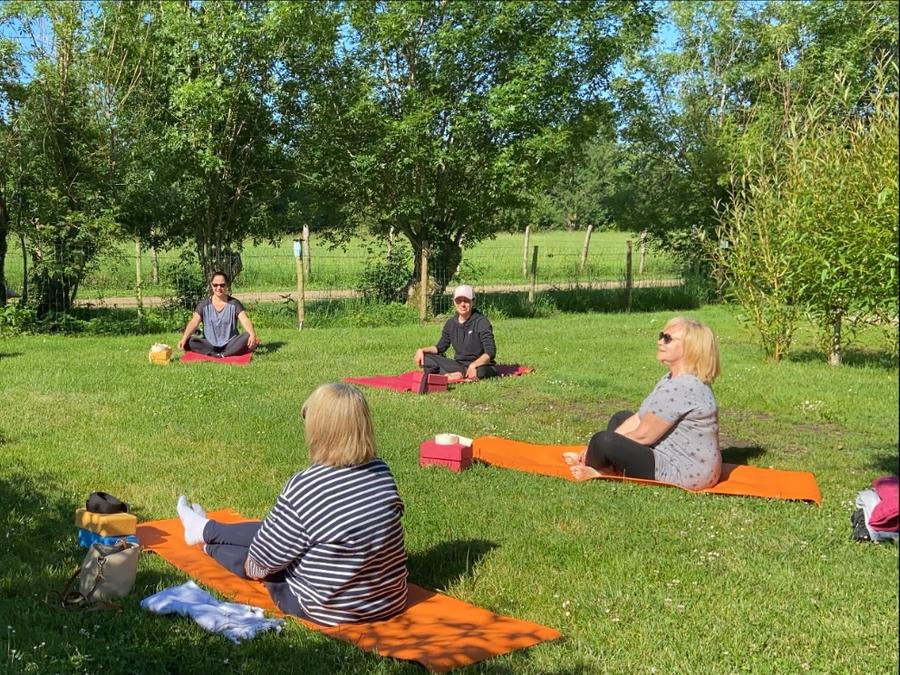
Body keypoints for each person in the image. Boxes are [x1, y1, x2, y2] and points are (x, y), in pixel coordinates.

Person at [176, 382, 409, 625]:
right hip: (389, 600)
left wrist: (232, 556)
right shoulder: (380, 471)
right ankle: (204, 528)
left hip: (327, 608)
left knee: (259, 558)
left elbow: (258, 565)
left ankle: (204, 543)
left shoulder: (307, 486)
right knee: (274, 531)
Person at [565, 317, 722, 490]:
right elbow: (639, 418)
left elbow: (644, 436)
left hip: (685, 472)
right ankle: (606, 464)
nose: (660, 342)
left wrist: (596, 449)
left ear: (690, 349)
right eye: (661, 336)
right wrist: (597, 448)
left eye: (667, 339)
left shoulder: (682, 387)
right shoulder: (671, 378)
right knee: (621, 418)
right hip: (678, 457)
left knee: (603, 440)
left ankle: (598, 468)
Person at [413, 284, 497, 388]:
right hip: (459, 365)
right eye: (459, 301)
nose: (462, 304)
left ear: (473, 302)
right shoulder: (450, 323)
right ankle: (459, 374)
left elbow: (490, 352)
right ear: (454, 302)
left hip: (480, 365)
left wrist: (473, 365)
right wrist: (422, 350)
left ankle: (450, 375)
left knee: (481, 371)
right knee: (426, 358)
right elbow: (440, 347)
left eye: (466, 301)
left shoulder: (482, 322)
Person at [177, 271, 260, 357]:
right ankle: (219, 354)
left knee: (247, 336)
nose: (218, 288)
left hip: (231, 343)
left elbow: (245, 320)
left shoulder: (234, 303)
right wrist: (184, 339)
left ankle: (222, 354)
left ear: (227, 285)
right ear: (211, 285)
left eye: (222, 285)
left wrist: (252, 334)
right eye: (215, 285)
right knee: (189, 341)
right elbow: (194, 322)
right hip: (209, 344)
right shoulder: (203, 304)